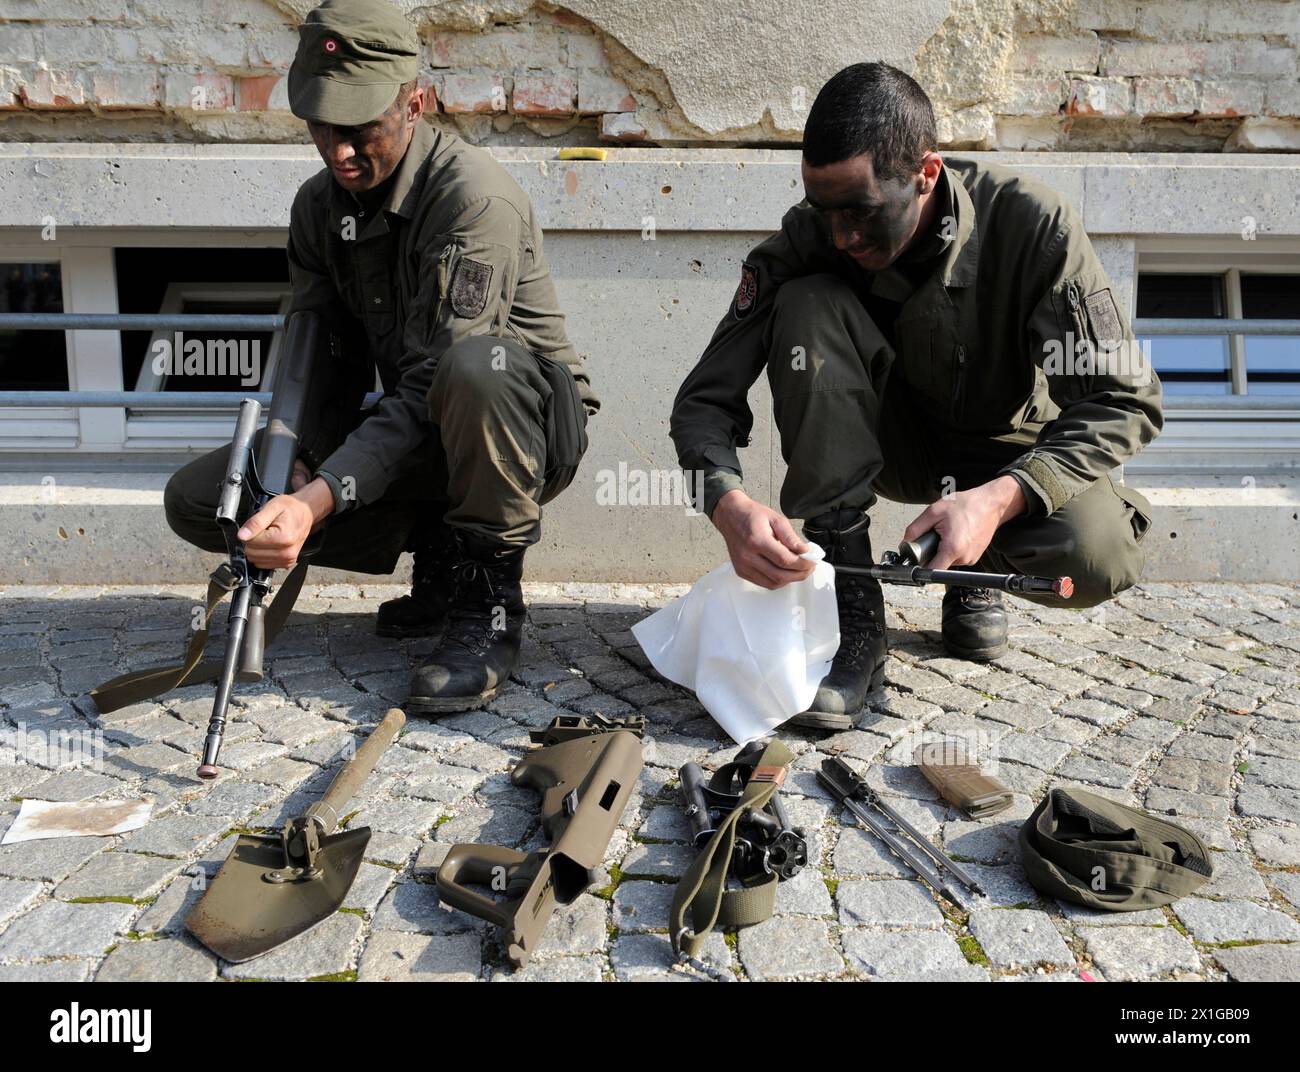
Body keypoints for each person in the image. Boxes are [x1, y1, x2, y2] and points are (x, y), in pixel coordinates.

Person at [670, 62, 1161, 731]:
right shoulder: (809, 241)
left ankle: (972, 562)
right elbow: (704, 399)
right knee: (807, 302)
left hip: (1003, 458)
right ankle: (852, 603)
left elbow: (1126, 399)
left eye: (863, 212)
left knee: (1098, 552)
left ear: (926, 174)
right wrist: (726, 503)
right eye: (827, 212)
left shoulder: (1030, 224)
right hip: (888, 447)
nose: (843, 236)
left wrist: (995, 501)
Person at [164, 0, 595, 714]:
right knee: (202, 497)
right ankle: (441, 558)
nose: (338, 150)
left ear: (416, 103)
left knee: (470, 374)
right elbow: (315, 359)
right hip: (422, 422)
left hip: (520, 430)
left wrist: (319, 499)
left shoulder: (473, 198)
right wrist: (291, 457)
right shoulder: (316, 208)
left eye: (360, 126)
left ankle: (487, 605)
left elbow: (439, 374)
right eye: (321, 126)